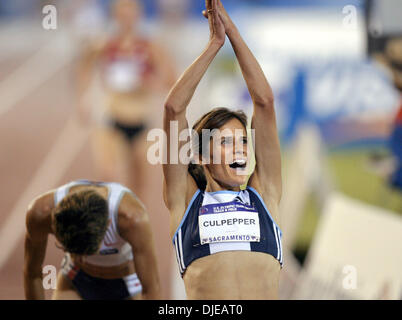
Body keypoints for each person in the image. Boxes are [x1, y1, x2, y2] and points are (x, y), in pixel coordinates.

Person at [162, 0, 283, 299]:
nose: (240, 150)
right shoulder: (186, 201)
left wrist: (232, 33)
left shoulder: (264, 194)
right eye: (226, 142)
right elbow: (174, 108)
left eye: (243, 141)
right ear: (201, 155)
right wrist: (214, 44)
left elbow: (265, 102)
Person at [77, 0, 176, 201]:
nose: (126, 20)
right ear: (115, 17)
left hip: (141, 122)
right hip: (111, 119)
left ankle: (132, 225)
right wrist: (83, 98)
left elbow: (171, 80)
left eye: (130, 15)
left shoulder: (150, 47)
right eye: (122, 15)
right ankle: (107, 224)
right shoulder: (105, 44)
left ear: (138, 16)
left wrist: (148, 82)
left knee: (138, 186)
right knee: (107, 177)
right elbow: (85, 66)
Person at [23, 180, 160, 300]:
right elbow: (32, 273)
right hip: (76, 281)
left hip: (128, 287)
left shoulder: (132, 219)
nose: (82, 259)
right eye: (73, 252)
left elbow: (151, 288)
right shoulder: (40, 214)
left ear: (108, 224)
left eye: (88, 252)